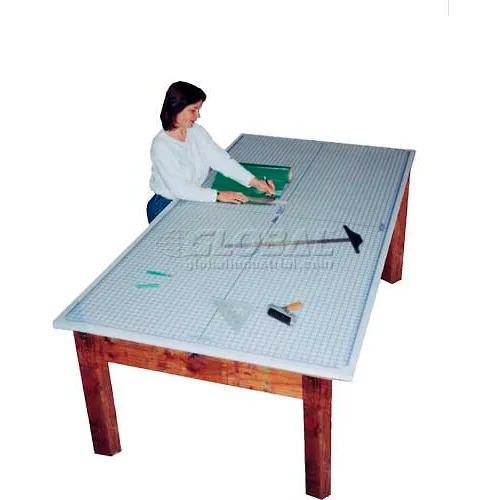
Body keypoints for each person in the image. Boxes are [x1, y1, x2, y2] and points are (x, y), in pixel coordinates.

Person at [147, 81, 275, 223]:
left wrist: (255, 182)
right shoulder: (161, 145)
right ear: (176, 108)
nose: (198, 116)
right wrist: (219, 195)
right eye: (193, 110)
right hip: (166, 205)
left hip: (193, 196)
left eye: (199, 110)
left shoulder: (197, 132)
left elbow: (222, 162)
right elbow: (180, 189)